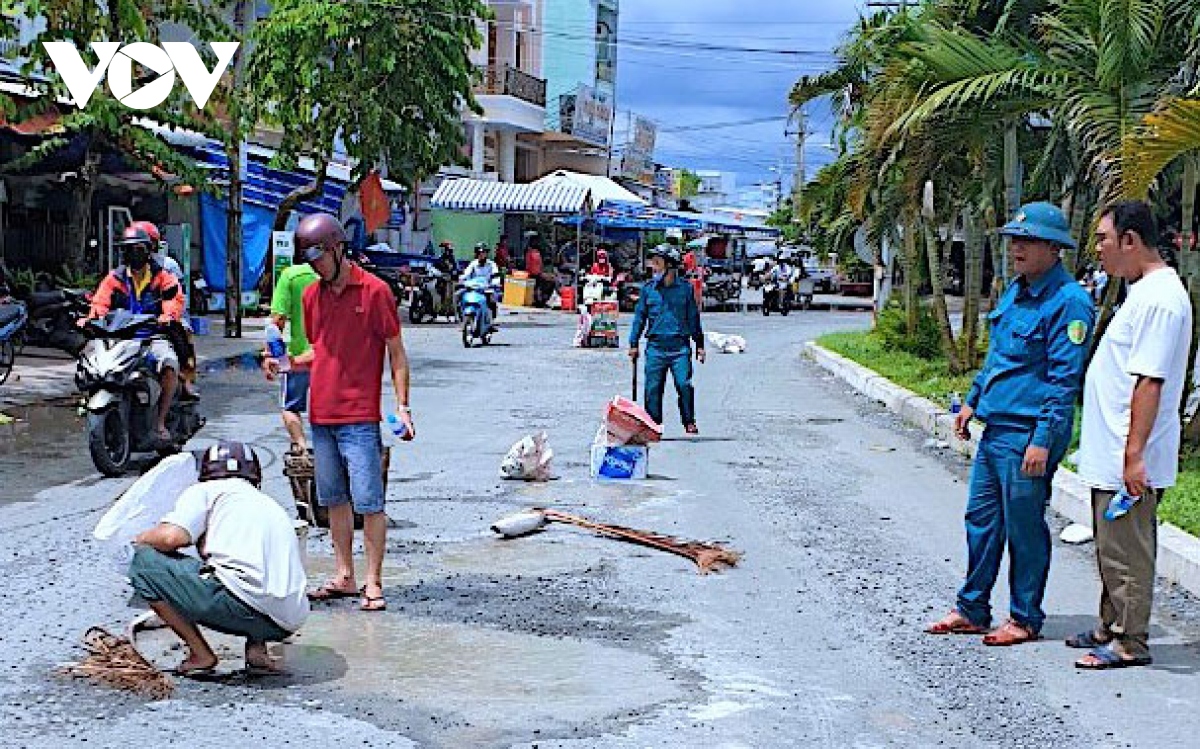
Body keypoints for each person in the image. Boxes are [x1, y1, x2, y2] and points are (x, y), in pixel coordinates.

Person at [926, 201, 1095, 646]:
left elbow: (1063, 382)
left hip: (1028, 434)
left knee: (1023, 527)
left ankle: (1023, 616)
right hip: (996, 428)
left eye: (1029, 240)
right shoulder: (1015, 291)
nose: (1017, 247)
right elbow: (998, 357)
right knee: (980, 520)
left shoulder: (1069, 303)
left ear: (1054, 249)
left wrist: (1042, 439)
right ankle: (972, 608)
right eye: (1014, 240)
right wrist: (971, 402)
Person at [1072, 201, 1193, 669]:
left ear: (1130, 241)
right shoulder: (1141, 292)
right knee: (1111, 546)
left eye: (1103, 239)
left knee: (1129, 551)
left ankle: (1129, 641)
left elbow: (1150, 382)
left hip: (1130, 454)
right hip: (1113, 451)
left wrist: (1134, 456)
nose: (1098, 249)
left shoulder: (1162, 299)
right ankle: (1109, 625)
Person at [277, 213, 414, 613]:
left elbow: (396, 353)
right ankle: (345, 575)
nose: (315, 266)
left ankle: (373, 581)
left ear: (338, 248)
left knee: (369, 503)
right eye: (310, 260)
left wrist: (402, 407)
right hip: (321, 415)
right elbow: (321, 351)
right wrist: (285, 363)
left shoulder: (375, 292)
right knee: (333, 500)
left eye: (319, 256)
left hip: (359, 417)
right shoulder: (311, 296)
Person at [128, 440, 308, 675]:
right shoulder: (267, 503)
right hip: (288, 619)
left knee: (143, 563)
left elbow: (172, 538)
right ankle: (257, 651)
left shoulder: (207, 490)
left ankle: (200, 654)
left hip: (243, 607)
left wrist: (141, 537)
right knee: (242, 572)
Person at [85, 225, 187, 445]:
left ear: (149, 250)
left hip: (152, 336)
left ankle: (160, 422)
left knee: (169, 364)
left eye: (138, 249)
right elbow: (100, 302)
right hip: (120, 337)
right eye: (129, 249)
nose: (134, 254)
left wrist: (167, 315)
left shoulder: (163, 276)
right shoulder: (115, 278)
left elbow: (175, 300)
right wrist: (92, 318)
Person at [628, 243, 706, 435]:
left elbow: (693, 318)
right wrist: (633, 343)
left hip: (679, 346)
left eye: (657, 263)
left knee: (684, 384)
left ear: (670, 265)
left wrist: (700, 345)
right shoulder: (648, 290)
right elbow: (639, 318)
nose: (653, 267)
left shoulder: (685, 290)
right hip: (655, 347)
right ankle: (654, 425)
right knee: (653, 388)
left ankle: (688, 420)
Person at [265, 249, 319, 455]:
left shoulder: (291, 276)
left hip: (299, 358)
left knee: (290, 407)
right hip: (334, 357)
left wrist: (271, 355)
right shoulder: (340, 274)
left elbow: (276, 321)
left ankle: (301, 446)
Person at [460, 243, 501, 324]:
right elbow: (466, 274)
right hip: (474, 288)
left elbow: (495, 276)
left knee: (491, 300)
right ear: (476, 254)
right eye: (480, 253)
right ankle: (462, 319)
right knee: (459, 296)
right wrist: (461, 279)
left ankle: (491, 321)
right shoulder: (473, 264)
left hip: (487, 288)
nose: (482, 255)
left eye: (484, 253)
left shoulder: (492, 264)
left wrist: (495, 283)